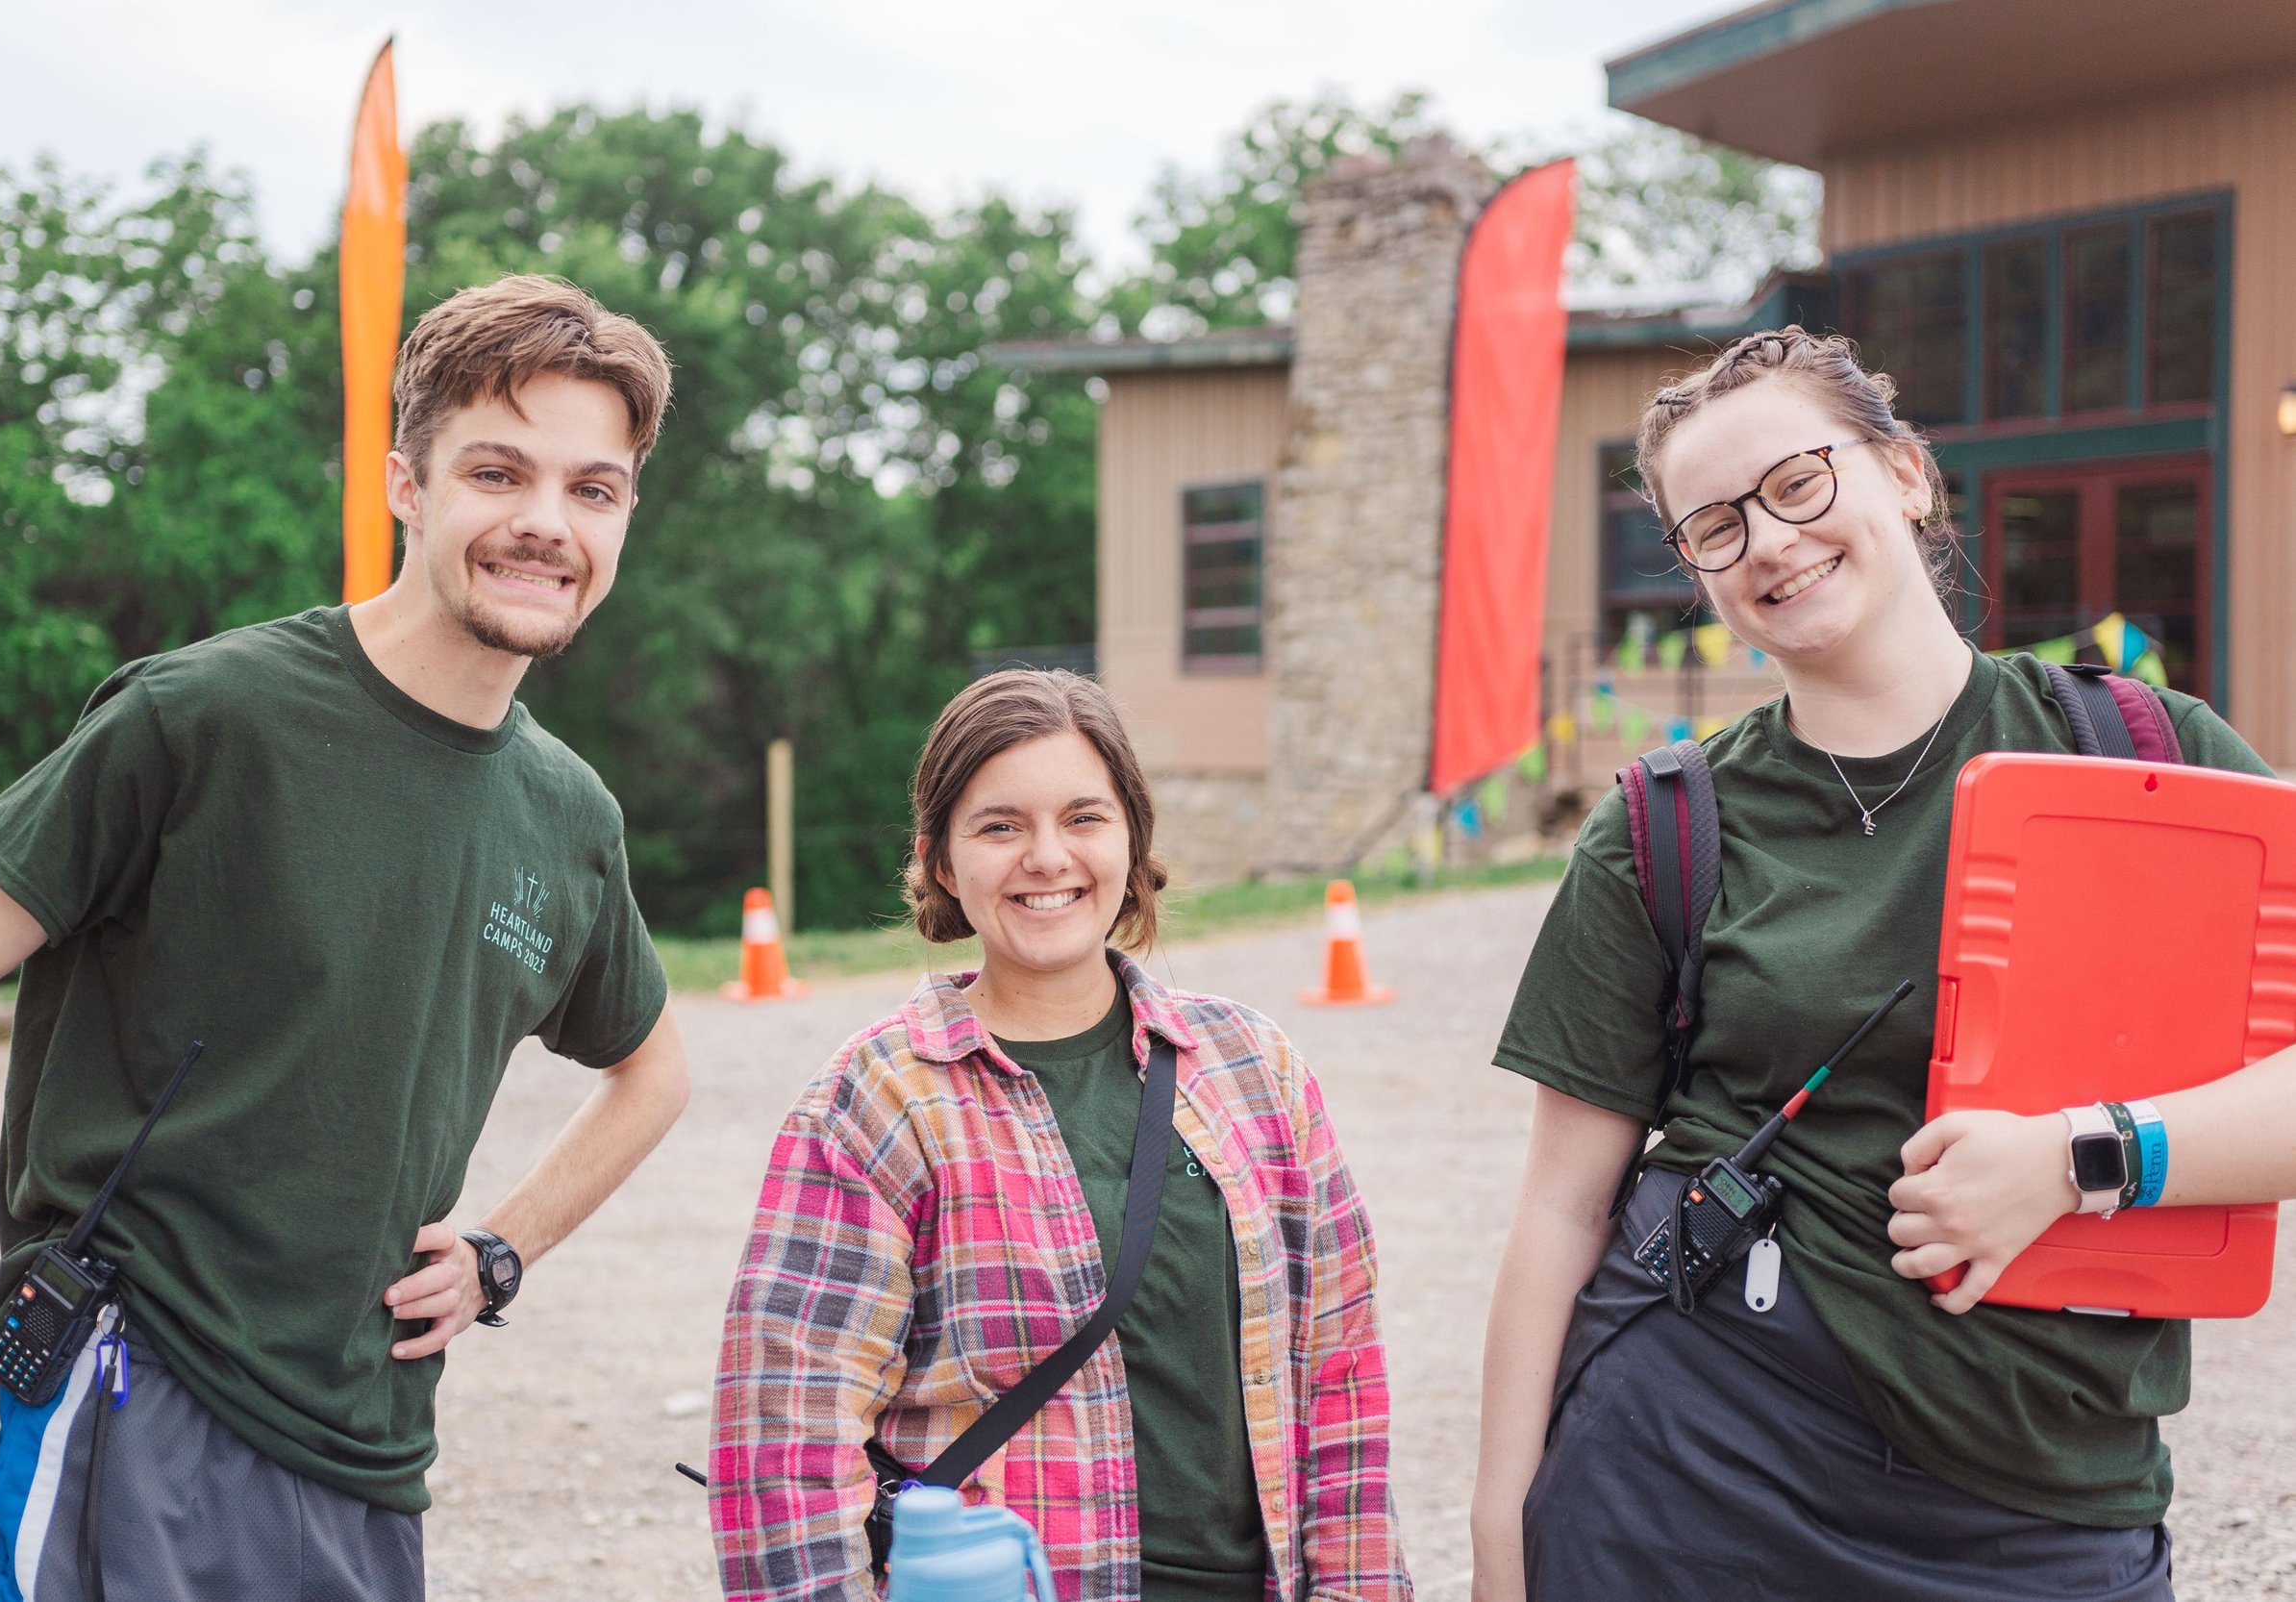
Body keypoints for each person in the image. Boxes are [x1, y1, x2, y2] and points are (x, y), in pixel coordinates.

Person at [0, 274, 693, 1602]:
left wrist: (503, 1249)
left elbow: (654, 1069)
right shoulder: (208, 720)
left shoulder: (566, 816)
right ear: (406, 483)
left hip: (371, 1459)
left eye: (593, 489)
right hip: (133, 1407)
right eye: (501, 471)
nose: (547, 524)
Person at [1469, 327, 2296, 1601]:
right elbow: (1559, 1209)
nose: (1769, 541)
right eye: (1716, 527)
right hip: (1686, 1477)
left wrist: (2088, 1156)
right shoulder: (1658, 828)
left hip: (2046, 1499)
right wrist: (1498, 1544)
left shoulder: (2147, 753)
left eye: (1797, 483)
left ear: (1905, 473)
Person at [708, 669, 1411, 1602]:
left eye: (1083, 817)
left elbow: (1339, 1367)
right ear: (944, 862)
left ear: (1131, 839)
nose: (1047, 856)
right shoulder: (873, 1104)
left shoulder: (1254, 1067)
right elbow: (784, 1445)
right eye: (1001, 825)